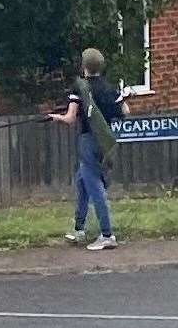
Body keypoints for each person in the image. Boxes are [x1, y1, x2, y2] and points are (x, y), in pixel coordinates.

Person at [48, 47, 129, 251]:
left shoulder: (80, 89)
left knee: (94, 187)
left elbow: (69, 118)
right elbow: (125, 111)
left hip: (87, 141)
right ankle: (79, 229)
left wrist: (54, 117)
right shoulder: (110, 88)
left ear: (84, 67)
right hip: (105, 141)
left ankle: (107, 235)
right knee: (82, 181)